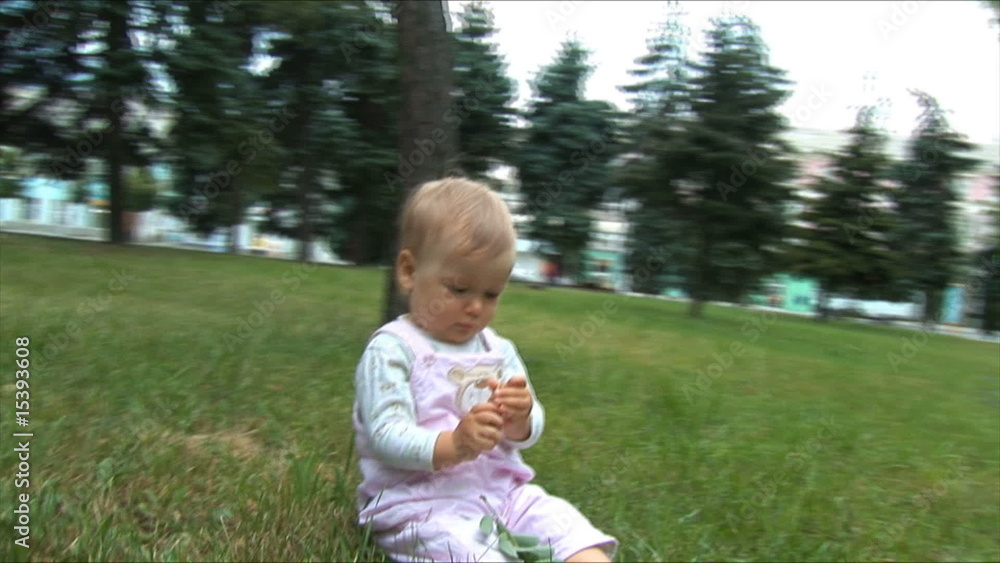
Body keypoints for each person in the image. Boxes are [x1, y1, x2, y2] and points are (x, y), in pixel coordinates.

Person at [353, 178, 617, 562]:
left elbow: (527, 432)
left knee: (565, 527)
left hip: (503, 493)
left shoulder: (498, 350)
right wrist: (454, 445)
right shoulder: (393, 349)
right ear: (409, 271)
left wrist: (522, 416)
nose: (476, 307)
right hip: (420, 504)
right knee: (466, 551)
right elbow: (385, 435)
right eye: (459, 289)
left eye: (491, 294)